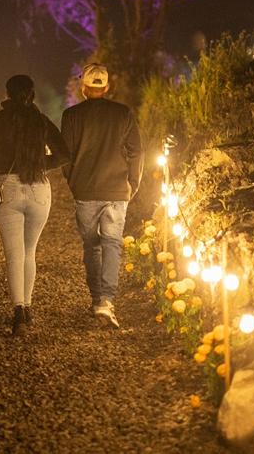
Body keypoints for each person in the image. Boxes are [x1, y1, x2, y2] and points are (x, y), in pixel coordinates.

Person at [0, 74, 70, 336]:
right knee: (29, 251)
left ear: (8, 94)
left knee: (14, 254)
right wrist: (39, 165)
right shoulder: (41, 121)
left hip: (9, 188)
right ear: (32, 95)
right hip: (39, 188)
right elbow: (63, 154)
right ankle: (28, 306)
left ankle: (19, 313)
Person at [60, 63, 143, 329]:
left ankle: (97, 298)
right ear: (106, 87)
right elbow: (137, 152)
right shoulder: (123, 114)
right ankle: (106, 301)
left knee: (91, 245)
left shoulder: (71, 115)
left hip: (85, 189)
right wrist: (133, 183)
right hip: (117, 189)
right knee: (112, 243)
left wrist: (73, 181)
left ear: (84, 87)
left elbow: (65, 155)